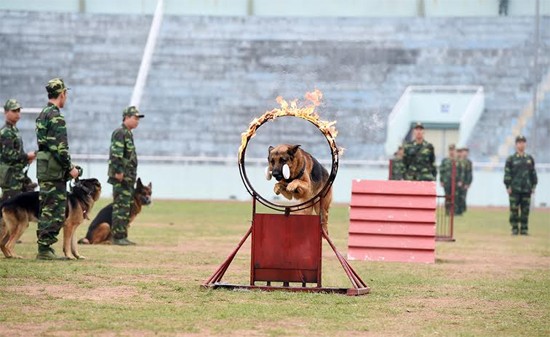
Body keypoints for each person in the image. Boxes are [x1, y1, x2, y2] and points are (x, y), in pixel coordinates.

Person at [35, 78, 80, 260]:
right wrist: (70, 168)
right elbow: (60, 148)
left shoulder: (43, 114)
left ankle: (44, 247)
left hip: (45, 168)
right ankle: (45, 249)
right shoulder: (56, 116)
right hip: (54, 170)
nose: (66, 97)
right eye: (65, 94)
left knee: (46, 206)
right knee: (55, 209)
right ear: (62, 94)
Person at [108, 106, 144, 245]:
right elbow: (116, 153)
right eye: (135, 118)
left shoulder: (127, 133)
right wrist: (118, 171)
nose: (137, 121)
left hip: (128, 178)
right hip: (121, 178)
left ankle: (122, 235)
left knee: (126, 206)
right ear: (126, 117)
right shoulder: (120, 132)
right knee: (120, 207)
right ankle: (117, 237)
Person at [0, 99, 36, 202]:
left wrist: (26, 159)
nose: (17, 114)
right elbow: (9, 156)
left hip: (17, 175)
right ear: (6, 112)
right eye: (14, 111)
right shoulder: (6, 132)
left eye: (18, 111)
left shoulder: (14, 131)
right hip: (10, 177)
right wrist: (27, 156)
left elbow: (17, 154)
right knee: (10, 206)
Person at [504, 135, 537, 236]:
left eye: (523, 142)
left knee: (525, 210)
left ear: (525, 144)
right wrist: (508, 186)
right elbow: (507, 173)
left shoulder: (529, 158)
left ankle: (524, 229)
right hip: (514, 189)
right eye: (519, 142)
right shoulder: (511, 159)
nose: (521, 144)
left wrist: (533, 186)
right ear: (516, 144)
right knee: (514, 210)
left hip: (527, 189)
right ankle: (514, 228)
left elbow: (533, 173)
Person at [439, 144, 462, 215]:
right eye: (450, 150)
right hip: (447, 182)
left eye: (453, 150)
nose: (451, 152)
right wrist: (441, 180)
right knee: (447, 196)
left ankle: (454, 211)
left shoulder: (458, 161)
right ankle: (447, 211)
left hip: (456, 182)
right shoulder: (444, 160)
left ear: (455, 151)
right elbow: (441, 171)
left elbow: (461, 171)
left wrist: (460, 181)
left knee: (455, 197)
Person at [460, 147, 473, 214]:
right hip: (457, 182)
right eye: (464, 152)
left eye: (466, 152)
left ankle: (463, 210)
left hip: (465, 183)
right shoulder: (458, 161)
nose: (465, 153)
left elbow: (469, 174)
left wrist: (468, 183)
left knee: (463, 196)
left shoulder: (469, 162)